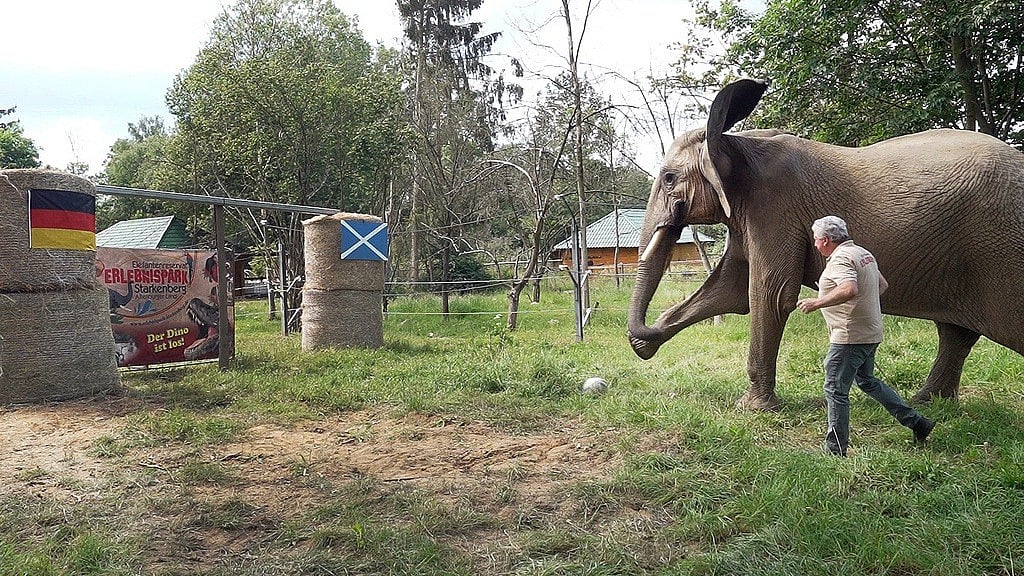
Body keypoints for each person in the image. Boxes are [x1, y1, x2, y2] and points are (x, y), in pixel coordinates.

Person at [796, 216, 934, 456]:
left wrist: (818, 303)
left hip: (850, 336)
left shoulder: (840, 258)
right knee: (867, 381)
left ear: (826, 240)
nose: (815, 244)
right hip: (870, 331)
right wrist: (862, 307)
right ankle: (918, 423)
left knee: (835, 389)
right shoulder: (862, 253)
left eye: (816, 239)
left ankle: (835, 449)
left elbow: (849, 288)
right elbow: (881, 285)